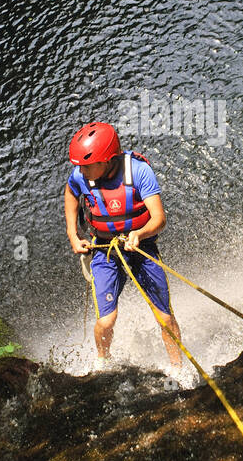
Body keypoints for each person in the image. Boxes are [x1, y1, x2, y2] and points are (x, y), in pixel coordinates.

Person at [63, 121, 185, 370]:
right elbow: (71, 191)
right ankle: (103, 362)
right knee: (106, 321)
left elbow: (159, 218)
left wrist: (140, 234)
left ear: (107, 160)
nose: (82, 171)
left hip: (141, 248)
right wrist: (72, 234)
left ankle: (178, 367)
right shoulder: (82, 174)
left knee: (164, 317)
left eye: (87, 166)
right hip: (105, 250)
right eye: (80, 167)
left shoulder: (139, 172)